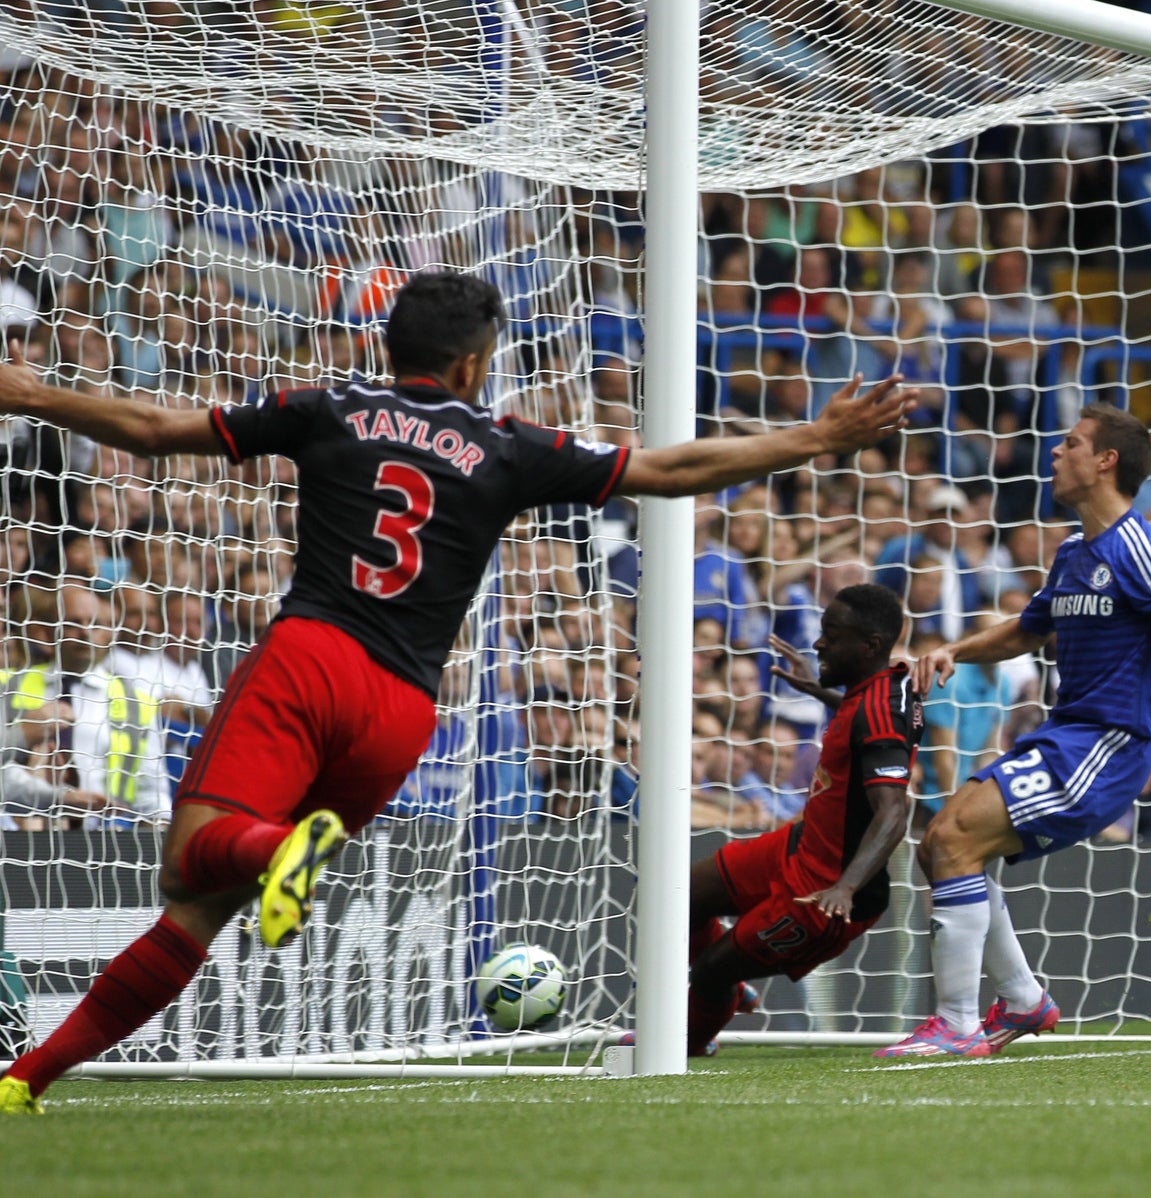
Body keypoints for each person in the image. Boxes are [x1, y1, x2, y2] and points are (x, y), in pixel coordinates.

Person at [0, 272, 916, 1114]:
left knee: (190, 867)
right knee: (207, 905)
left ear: (387, 346)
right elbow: (666, 474)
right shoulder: (508, 445)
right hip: (402, 710)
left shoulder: (327, 407)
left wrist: (36, 393)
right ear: (475, 363)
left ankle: (275, 845)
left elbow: (158, 434)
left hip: (310, 656)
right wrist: (818, 437)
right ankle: (26, 1081)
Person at [876, 404, 1151, 1057]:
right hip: (1067, 736)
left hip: (1107, 745)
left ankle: (957, 1023)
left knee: (949, 838)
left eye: (1072, 444)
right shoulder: (1073, 551)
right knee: (946, 849)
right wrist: (955, 651)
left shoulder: (1142, 550)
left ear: (1106, 461)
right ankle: (1025, 1003)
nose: (1057, 453)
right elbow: (1027, 630)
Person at [684, 588, 920, 1056]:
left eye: (832, 635)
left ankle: (684, 1041)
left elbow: (895, 812)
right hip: (799, 845)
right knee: (680, 895)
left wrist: (846, 887)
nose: (818, 644)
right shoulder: (875, 691)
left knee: (709, 973)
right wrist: (818, 692)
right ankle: (727, 988)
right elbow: (863, 727)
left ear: (870, 646)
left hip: (823, 892)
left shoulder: (879, 711)